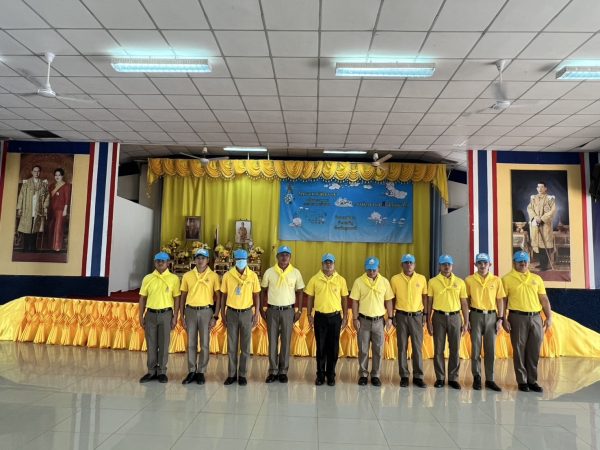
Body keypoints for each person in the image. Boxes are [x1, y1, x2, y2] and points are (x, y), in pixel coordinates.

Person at [501, 251, 553, 393]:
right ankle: (522, 381)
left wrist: (549, 317)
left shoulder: (537, 279)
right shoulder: (506, 279)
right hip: (517, 317)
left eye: (525, 261)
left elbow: (544, 299)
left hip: (536, 317)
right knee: (519, 350)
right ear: (514, 263)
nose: (523, 263)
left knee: (534, 350)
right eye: (520, 261)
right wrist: (503, 319)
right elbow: (503, 301)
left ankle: (532, 381)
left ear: (529, 263)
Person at [260, 245, 305, 383]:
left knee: (286, 341)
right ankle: (273, 371)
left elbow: (300, 292)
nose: (284, 257)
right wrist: (261, 308)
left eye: (287, 255)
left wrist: (299, 310)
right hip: (272, 310)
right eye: (281, 255)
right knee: (272, 341)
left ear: (290, 257)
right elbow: (263, 290)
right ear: (277, 257)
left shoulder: (295, 272)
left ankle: (283, 371)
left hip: (288, 311)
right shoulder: (269, 272)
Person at [305, 253, 348, 386]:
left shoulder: (341, 280)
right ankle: (320, 375)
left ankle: (331, 375)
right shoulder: (314, 279)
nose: (328, 264)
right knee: (321, 347)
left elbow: (344, 299)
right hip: (320, 318)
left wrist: (345, 316)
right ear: (322, 264)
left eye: (330, 262)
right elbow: (310, 297)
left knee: (333, 348)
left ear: (334, 264)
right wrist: (309, 314)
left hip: (335, 317)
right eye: (326, 262)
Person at [426, 254, 468, 390]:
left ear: (452, 266)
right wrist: (428, 320)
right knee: (438, 349)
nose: (446, 266)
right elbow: (429, 302)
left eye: (448, 264)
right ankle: (440, 377)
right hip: (438, 317)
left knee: (455, 348)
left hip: (455, 317)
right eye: (443, 264)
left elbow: (464, 303)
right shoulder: (432, 282)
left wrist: (466, 322)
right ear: (439, 266)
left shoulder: (460, 282)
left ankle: (453, 378)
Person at [350, 256, 394, 387]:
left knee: (378, 350)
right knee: (363, 349)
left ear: (379, 268)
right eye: (369, 269)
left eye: (374, 269)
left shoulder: (384, 282)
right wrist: (355, 318)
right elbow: (355, 302)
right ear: (365, 269)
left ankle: (376, 375)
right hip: (363, 320)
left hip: (379, 321)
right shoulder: (359, 281)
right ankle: (363, 374)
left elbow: (388, 300)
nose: (372, 272)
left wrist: (390, 317)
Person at [464, 253, 505, 392]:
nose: (482, 265)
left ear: (490, 265)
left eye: (485, 263)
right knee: (475, 348)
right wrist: (467, 319)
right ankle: (476, 377)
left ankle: (490, 379)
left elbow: (500, 300)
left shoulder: (496, 280)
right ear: (475, 264)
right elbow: (466, 300)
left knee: (490, 349)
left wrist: (500, 319)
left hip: (492, 316)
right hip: (475, 315)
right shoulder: (469, 280)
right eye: (480, 263)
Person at [180, 248, 221, 385]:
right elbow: (183, 296)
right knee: (191, 343)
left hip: (206, 311)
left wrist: (215, 315)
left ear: (208, 260)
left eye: (203, 258)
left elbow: (218, 297)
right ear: (194, 259)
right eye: (198, 257)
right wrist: (181, 315)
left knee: (204, 343)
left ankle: (201, 371)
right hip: (190, 311)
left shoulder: (214, 276)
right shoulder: (187, 275)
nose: (200, 260)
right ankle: (192, 370)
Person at [138, 252, 181, 383]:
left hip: (166, 314)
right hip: (150, 314)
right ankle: (151, 371)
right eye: (158, 261)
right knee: (151, 343)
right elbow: (142, 298)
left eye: (163, 261)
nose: (160, 263)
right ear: (154, 263)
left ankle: (162, 371)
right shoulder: (148, 278)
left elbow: (177, 298)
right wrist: (141, 315)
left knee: (163, 343)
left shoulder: (174, 278)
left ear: (168, 263)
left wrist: (175, 316)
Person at [220, 248, 261, 386]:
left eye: (243, 259)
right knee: (232, 346)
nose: (241, 262)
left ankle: (242, 374)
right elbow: (223, 295)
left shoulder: (252, 276)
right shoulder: (227, 275)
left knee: (245, 346)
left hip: (247, 313)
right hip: (231, 312)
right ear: (234, 260)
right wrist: (222, 312)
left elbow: (256, 295)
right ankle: (231, 374)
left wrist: (256, 313)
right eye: (238, 259)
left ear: (247, 260)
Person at [389, 253, 427, 388]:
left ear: (414, 264)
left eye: (411, 262)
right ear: (402, 265)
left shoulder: (421, 279)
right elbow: (391, 298)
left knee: (417, 347)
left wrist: (425, 315)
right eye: (406, 262)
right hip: (401, 316)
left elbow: (425, 297)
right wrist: (392, 316)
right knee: (402, 347)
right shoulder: (395, 279)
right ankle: (404, 376)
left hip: (417, 317)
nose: (409, 265)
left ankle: (418, 376)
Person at [16, 165, 49, 252]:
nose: (36, 173)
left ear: (40, 172)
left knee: (35, 228)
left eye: (38, 171)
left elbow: (47, 196)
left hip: (38, 208)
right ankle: (26, 247)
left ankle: (33, 247)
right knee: (27, 227)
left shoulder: (43, 184)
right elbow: (21, 196)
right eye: (35, 171)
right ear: (32, 172)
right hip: (27, 208)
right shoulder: (26, 183)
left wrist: (45, 207)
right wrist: (19, 208)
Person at [527, 182, 556, 271]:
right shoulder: (533, 198)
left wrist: (542, 219)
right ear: (536, 188)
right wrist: (535, 217)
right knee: (538, 246)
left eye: (542, 187)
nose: (540, 189)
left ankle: (545, 265)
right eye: (538, 187)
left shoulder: (550, 199)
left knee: (544, 245)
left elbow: (552, 211)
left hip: (545, 225)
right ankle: (541, 263)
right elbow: (529, 208)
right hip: (536, 224)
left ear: (545, 188)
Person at [47, 168, 71, 252]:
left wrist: (65, 210)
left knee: (58, 228)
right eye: (56, 175)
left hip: (61, 209)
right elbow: (49, 197)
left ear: (62, 176)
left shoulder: (66, 185)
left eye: (59, 175)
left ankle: (57, 247)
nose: (57, 177)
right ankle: (51, 246)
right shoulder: (52, 186)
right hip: (52, 209)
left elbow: (67, 199)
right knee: (51, 227)